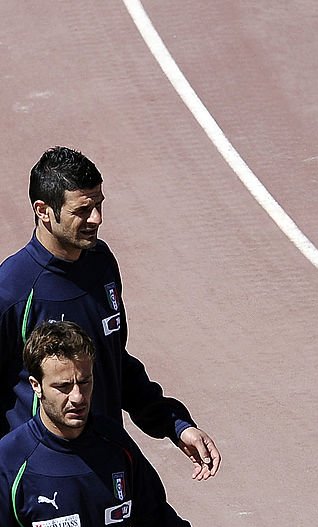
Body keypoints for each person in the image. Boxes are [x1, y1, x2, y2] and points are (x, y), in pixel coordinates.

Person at [0, 321, 260, 527]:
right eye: (63, 387)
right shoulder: (11, 462)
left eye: (85, 382)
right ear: (36, 386)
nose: (77, 397)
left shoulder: (115, 448)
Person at [0, 146, 219, 480]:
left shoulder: (101, 265)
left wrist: (175, 424)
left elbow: (114, 361)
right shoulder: (13, 291)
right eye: (83, 210)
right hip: (39, 479)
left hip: (105, 461)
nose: (97, 219)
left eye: (99, 205)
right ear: (43, 210)